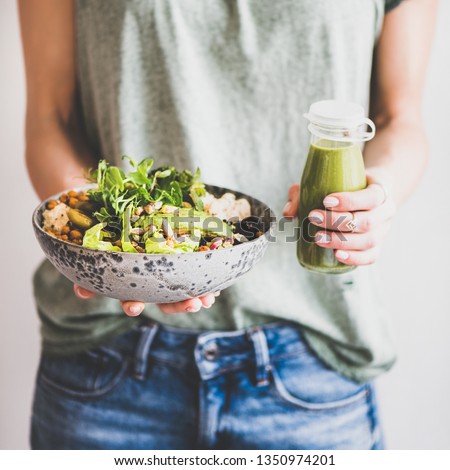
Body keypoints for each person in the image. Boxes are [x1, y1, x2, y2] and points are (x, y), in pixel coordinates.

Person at [19, 0, 435, 450]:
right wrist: (99, 243)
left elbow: (398, 118)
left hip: (312, 358)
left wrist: (379, 193)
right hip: (107, 361)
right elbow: (49, 119)